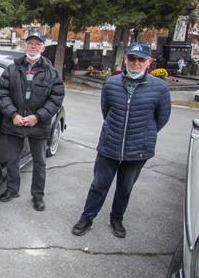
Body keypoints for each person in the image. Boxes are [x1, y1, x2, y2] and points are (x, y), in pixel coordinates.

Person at [71, 42, 171, 238]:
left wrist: (142, 134)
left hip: (137, 150)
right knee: (99, 185)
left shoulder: (160, 88)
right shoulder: (111, 83)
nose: (135, 63)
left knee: (125, 188)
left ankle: (116, 219)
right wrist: (116, 131)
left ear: (149, 62)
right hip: (110, 145)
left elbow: (161, 119)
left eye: (141, 59)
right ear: (126, 60)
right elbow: (106, 111)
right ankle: (87, 218)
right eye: (131, 58)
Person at [0, 32, 65, 211]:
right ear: (25, 46)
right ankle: (12, 190)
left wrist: (38, 116)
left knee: (39, 162)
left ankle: (37, 196)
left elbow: (56, 98)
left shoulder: (51, 72)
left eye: (37, 44)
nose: (33, 47)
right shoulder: (12, 69)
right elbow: (2, 93)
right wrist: (13, 114)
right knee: (12, 160)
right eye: (30, 43)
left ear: (42, 47)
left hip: (38, 125)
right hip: (15, 123)